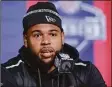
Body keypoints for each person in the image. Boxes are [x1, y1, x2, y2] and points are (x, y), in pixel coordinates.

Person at [2, 2, 107, 87]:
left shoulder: (86, 72)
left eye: (52, 34)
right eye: (37, 35)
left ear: (62, 37)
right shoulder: (8, 73)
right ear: (25, 39)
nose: (46, 41)